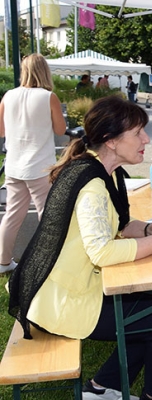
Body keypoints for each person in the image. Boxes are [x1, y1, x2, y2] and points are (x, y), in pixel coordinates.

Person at [7, 96, 152, 400]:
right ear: (111, 142)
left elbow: (120, 226)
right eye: (137, 133)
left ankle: (102, 389)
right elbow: (102, 252)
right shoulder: (93, 185)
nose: (145, 139)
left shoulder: (102, 170)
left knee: (150, 310)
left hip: (65, 290)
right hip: (61, 303)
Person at [0, 54, 66, 274]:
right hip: (40, 166)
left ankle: (3, 262)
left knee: (12, 215)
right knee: (47, 215)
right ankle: (50, 261)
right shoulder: (48, 97)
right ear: (44, 71)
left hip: (14, 165)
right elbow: (60, 130)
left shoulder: (8, 96)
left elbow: (1, 131)